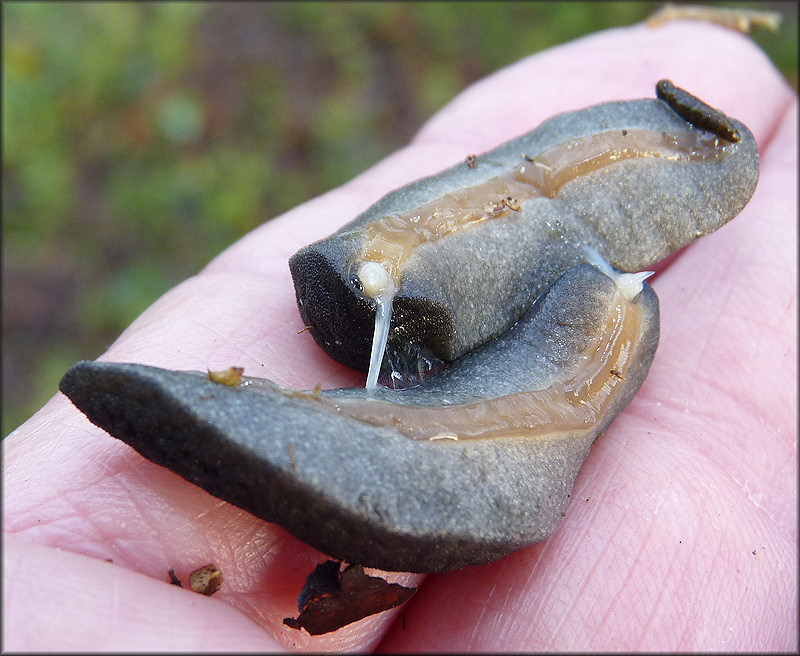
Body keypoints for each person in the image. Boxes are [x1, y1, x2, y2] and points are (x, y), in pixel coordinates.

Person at [3, 19, 796, 651]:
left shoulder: (613, 316)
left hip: (497, 335)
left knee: (589, 343)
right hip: (391, 308)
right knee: (559, 328)